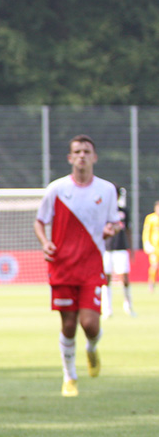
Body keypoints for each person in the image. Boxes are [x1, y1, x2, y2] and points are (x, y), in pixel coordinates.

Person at [34, 135, 122, 397]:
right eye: (77, 151)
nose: (82, 155)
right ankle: (69, 377)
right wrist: (45, 242)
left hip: (91, 265)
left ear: (94, 157)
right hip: (62, 267)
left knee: (90, 324)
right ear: (70, 158)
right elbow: (40, 221)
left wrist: (111, 228)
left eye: (86, 151)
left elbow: (115, 222)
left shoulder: (106, 190)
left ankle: (92, 349)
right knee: (69, 325)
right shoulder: (57, 189)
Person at [101, 187, 135, 318]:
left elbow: (128, 230)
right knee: (106, 279)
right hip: (107, 249)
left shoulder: (124, 211)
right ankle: (107, 309)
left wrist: (131, 249)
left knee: (125, 278)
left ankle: (128, 306)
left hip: (121, 248)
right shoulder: (103, 211)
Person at [144, 200, 159, 293]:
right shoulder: (150, 218)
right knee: (154, 266)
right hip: (154, 247)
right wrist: (146, 243)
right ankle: (151, 283)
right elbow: (146, 232)